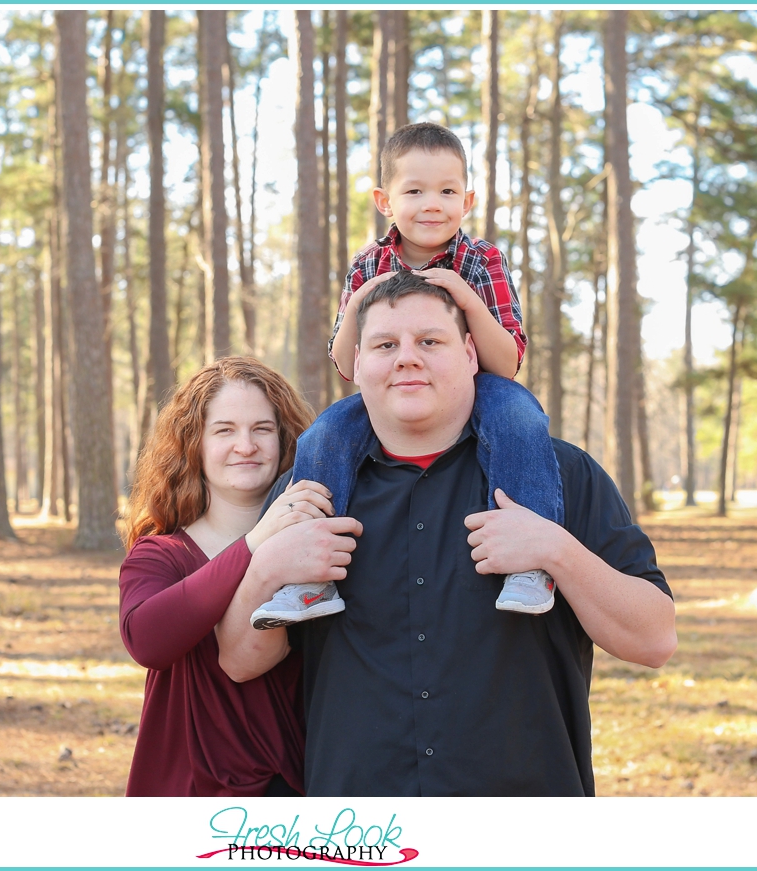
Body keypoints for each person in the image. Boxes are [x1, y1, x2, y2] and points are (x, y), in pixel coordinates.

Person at [218, 272, 677, 796]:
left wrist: (556, 550)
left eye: (429, 342)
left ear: (469, 353)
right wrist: (267, 568)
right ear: (358, 364)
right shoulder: (306, 497)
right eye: (385, 345)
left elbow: (655, 639)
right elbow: (239, 660)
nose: (406, 358)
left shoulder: (559, 477)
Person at [250, 122, 561, 630]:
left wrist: (463, 295)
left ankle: (530, 565)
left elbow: (505, 362)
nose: (431, 203)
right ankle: (309, 577)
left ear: (468, 199)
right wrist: (361, 298)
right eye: (413, 190)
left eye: (446, 190)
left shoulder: (482, 260)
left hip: (476, 386)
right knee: (324, 434)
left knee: (522, 421)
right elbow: (349, 364)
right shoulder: (368, 262)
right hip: (391, 390)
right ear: (385, 200)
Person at [118, 357, 357, 797]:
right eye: (224, 430)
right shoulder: (161, 554)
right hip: (189, 790)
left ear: (286, 438)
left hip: (298, 786)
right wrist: (256, 542)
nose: (245, 445)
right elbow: (147, 641)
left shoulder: (320, 543)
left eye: (262, 429)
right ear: (195, 444)